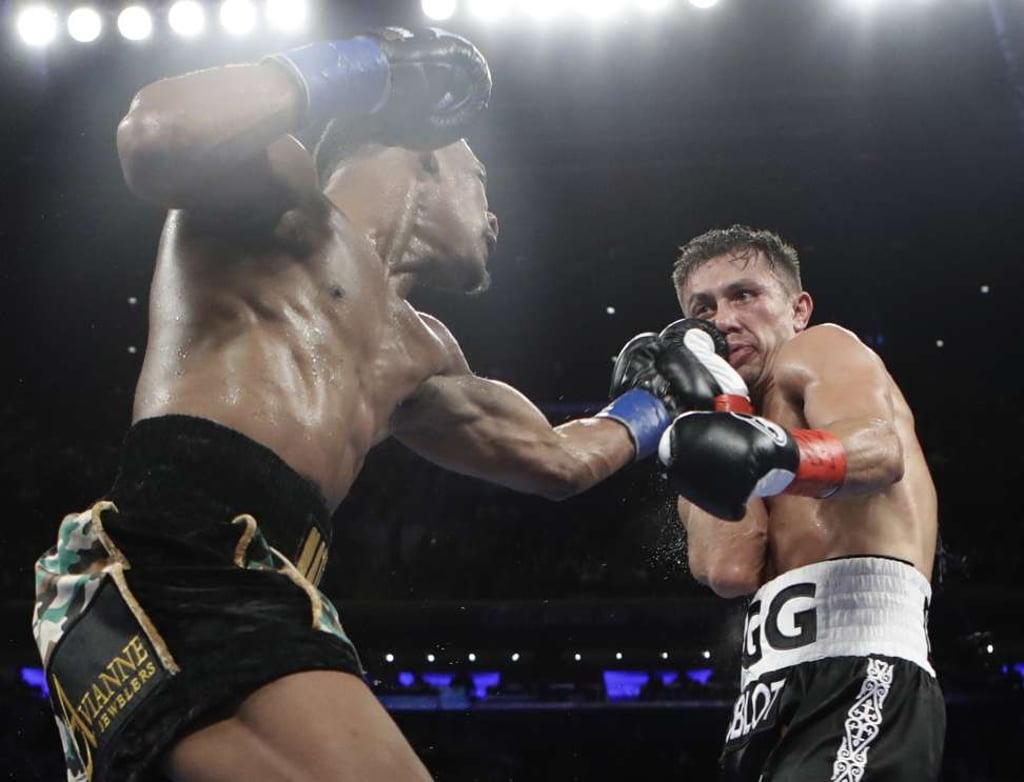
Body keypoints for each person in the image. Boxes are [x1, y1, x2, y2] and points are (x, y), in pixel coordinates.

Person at [30, 28, 714, 782]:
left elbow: (557, 461)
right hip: (175, 557)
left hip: (258, 587)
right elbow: (157, 135)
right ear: (429, 153)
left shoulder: (423, 355)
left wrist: (655, 403)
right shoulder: (274, 199)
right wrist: (373, 62)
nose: (494, 219)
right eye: (481, 183)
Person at [654, 225, 945, 780]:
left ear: (798, 308)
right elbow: (728, 569)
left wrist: (773, 450)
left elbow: (878, 451)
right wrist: (722, 412)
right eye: (703, 307)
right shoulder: (719, 421)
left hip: (863, 667)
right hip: (762, 698)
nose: (723, 319)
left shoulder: (819, 349)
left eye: (745, 295)